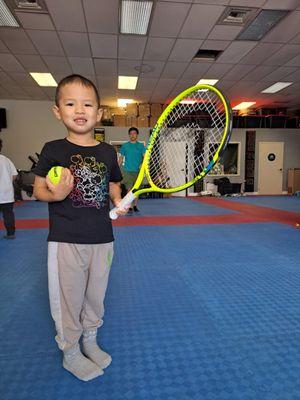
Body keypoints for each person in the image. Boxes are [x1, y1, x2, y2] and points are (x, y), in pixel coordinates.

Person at [33, 74, 126, 382]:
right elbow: (38, 191)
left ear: (99, 113)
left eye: (87, 104)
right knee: (68, 296)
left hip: (103, 239)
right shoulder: (52, 149)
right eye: (70, 103)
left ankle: (90, 339)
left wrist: (118, 201)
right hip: (66, 239)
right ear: (58, 111)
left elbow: (113, 183)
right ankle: (70, 351)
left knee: (95, 295)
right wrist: (56, 194)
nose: (79, 109)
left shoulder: (107, 153)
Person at [119, 127, 145, 214]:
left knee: (136, 190)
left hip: (138, 171)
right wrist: (117, 169)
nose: (132, 135)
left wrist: (143, 165)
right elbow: (121, 159)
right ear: (129, 135)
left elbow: (145, 158)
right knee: (129, 190)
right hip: (127, 171)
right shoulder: (125, 146)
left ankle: (135, 206)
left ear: (137, 135)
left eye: (134, 133)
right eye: (131, 133)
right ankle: (129, 206)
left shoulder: (141, 146)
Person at [0, 139, 18, 239]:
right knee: (8, 214)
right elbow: (15, 175)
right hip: (7, 193)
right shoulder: (6, 160)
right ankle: (10, 233)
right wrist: (6, 181)